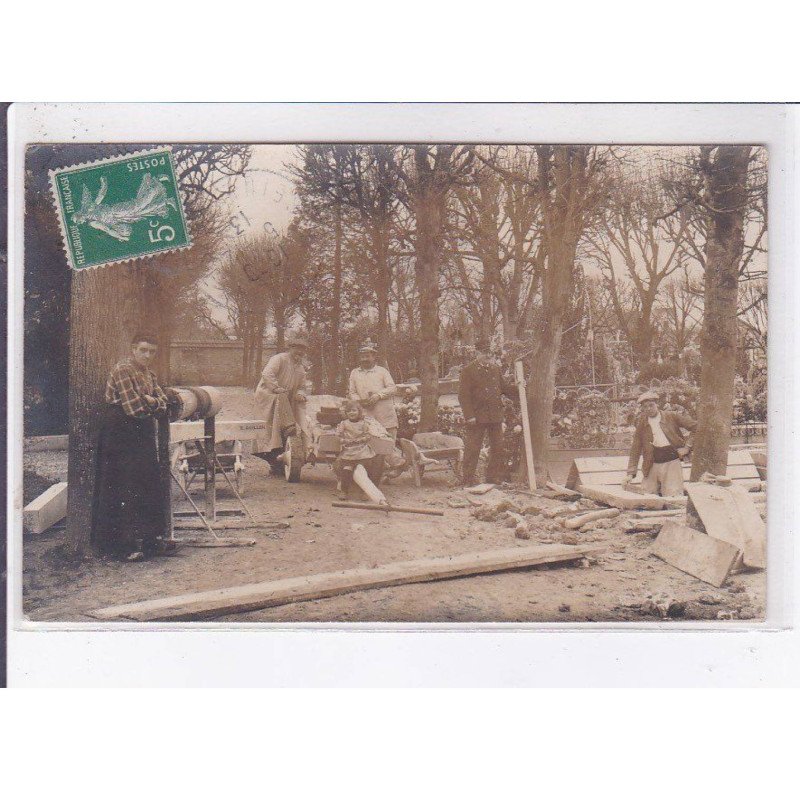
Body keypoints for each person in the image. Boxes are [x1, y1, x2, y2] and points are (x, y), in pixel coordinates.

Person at [91, 332, 172, 562]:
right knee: (123, 486)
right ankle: (122, 546)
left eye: (152, 352)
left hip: (143, 434)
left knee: (146, 482)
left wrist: (153, 401)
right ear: (133, 349)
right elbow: (134, 409)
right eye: (143, 350)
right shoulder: (122, 370)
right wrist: (152, 403)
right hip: (120, 434)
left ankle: (148, 540)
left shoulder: (150, 374)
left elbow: (163, 405)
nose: (147, 355)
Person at [457, 339, 516, 487]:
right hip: (476, 416)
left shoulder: (495, 369)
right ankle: (468, 479)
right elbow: (463, 395)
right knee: (473, 448)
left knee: (498, 447)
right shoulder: (468, 371)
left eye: (489, 353)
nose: (488, 355)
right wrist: (469, 415)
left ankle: (492, 477)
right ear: (477, 353)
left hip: (495, 415)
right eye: (484, 353)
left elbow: (505, 388)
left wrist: (519, 387)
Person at [253, 332, 311, 470]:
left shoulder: (301, 368)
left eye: (302, 350)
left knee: (285, 429)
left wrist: (300, 393)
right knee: (270, 430)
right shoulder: (279, 359)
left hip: (285, 400)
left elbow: (302, 386)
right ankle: (273, 460)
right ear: (290, 348)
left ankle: (281, 460)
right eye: (297, 348)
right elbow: (267, 374)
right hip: (268, 396)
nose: (300, 352)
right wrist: (275, 388)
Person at [624, 390, 697, 497]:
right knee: (648, 497)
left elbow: (696, 427)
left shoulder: (671, 416)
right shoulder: (642, 424)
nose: (648, 409)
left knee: (674, 496)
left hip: (672, 462)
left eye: (651, 405)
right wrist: (630, 473)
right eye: (645, 407)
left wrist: (687, 447)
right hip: (651, 463)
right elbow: (635, 448)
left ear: (657, 404)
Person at [335, 400, 390, 501]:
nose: (351, 413)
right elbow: (338, 435)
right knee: (347, 469)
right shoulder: (344, 423)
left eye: (354, 410)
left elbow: (368, 434)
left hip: (361, 449)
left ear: (359, 412)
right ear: (346, 413)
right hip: (349, 450)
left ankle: (364, 491)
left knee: (364, 470)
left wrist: (362, 439)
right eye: (349, 411)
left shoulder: (363, 423)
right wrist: (344, 440)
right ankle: (344, 491)